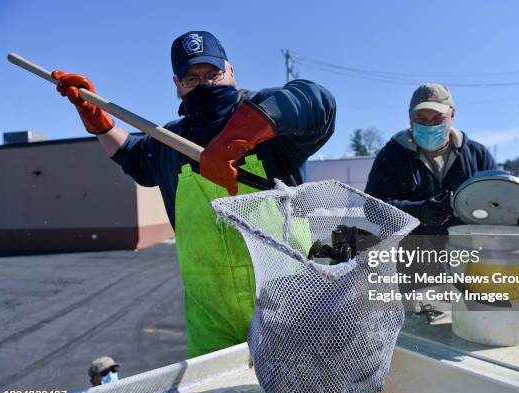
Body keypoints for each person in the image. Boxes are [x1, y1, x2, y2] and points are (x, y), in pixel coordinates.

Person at [52, 31, 336, 358]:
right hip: (212, 328)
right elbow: (131, 153)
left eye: (212, 74)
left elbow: (318, 102)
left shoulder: (272, 127)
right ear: (178, 84)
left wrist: (236, 139)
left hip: (292, 316)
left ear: (230, 72)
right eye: (192, 77)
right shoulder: (168, 141)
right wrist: (96, 118)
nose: (205, 85)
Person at [365, 82, 519, 234]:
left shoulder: (476, 155)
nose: (429, 124)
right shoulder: (392, 155)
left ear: (452, 115)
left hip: (470, 255)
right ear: (409, 116)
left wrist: (518, 219)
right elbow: (372, 208)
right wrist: (417, 211)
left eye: (437, 118)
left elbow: (497, 202)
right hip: (414, 258)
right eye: (422, 118)